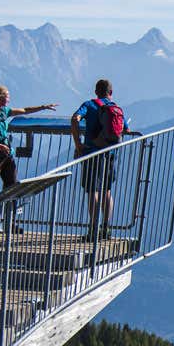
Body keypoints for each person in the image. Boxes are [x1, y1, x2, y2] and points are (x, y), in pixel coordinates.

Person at [0, 84, 57, 232]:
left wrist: (43, 107)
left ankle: (10, 223)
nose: (8, 98)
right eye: (5, 95)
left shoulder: (4, 112)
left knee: (12, 188)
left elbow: (25, 110)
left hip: (6, 155)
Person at [71, 79, 129, 240]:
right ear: (111, 92)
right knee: (107, 191)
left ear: (96, 91)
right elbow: (125, 128)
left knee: (92, 191)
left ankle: (93, 229)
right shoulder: (116, 108)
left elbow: (75, 118)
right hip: (110, 154)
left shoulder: (89, 105)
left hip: (92, 153)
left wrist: (78, 145)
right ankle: (106, 228)